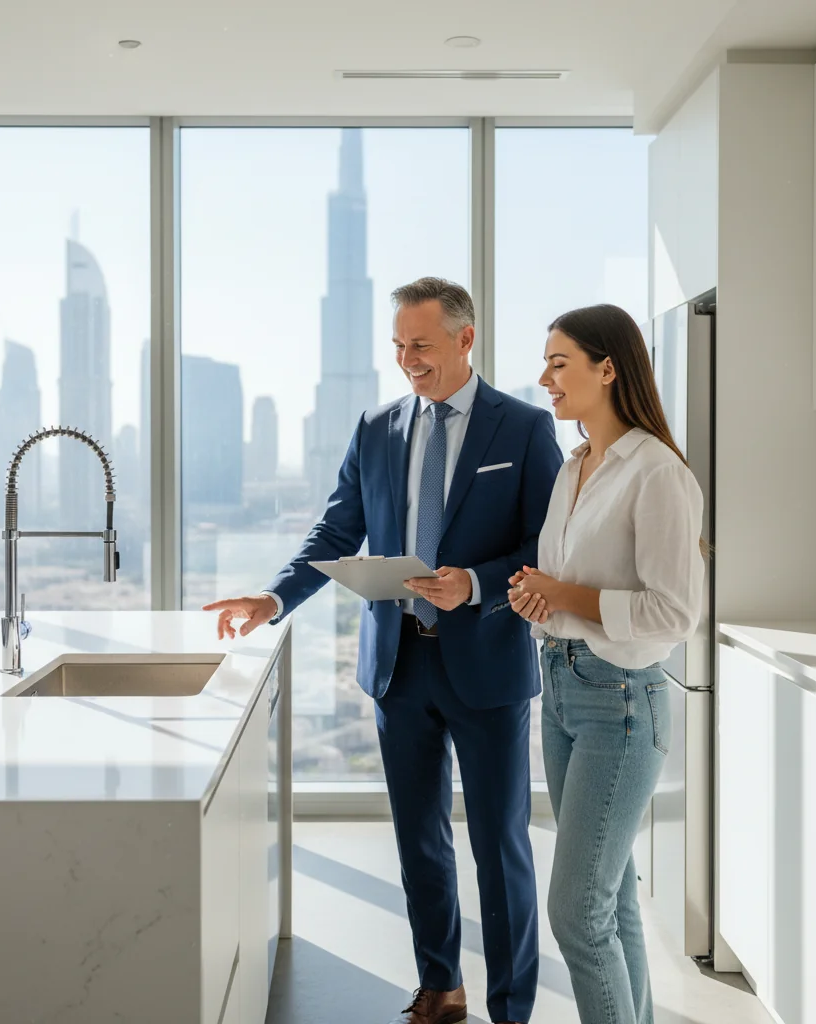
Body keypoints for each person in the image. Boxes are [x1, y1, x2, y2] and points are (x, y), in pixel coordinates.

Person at [204, 277, 564, 1024]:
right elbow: (337, 531)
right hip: (398, 666)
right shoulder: (376, 426)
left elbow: (547, 546)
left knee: (499, 851)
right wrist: (271, 598)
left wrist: (474, 583)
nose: (407, 360)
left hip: (487, 666)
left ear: (466, 340)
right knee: (419, 844)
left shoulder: (524, 429)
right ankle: (441, 987)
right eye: (398, 346)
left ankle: (511, 1008)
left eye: (421, 346)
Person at [507, 303, 704, 1024]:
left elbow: (675, 613)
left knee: (576, 912)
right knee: (611, 898)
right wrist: (542, 600)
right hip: (561, 688)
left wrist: (566, 594)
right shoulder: (576, 466)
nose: (544, 378)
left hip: (620, 700)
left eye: (560, 363)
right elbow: (572, 589)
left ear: (608, 368)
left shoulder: (657, 474)